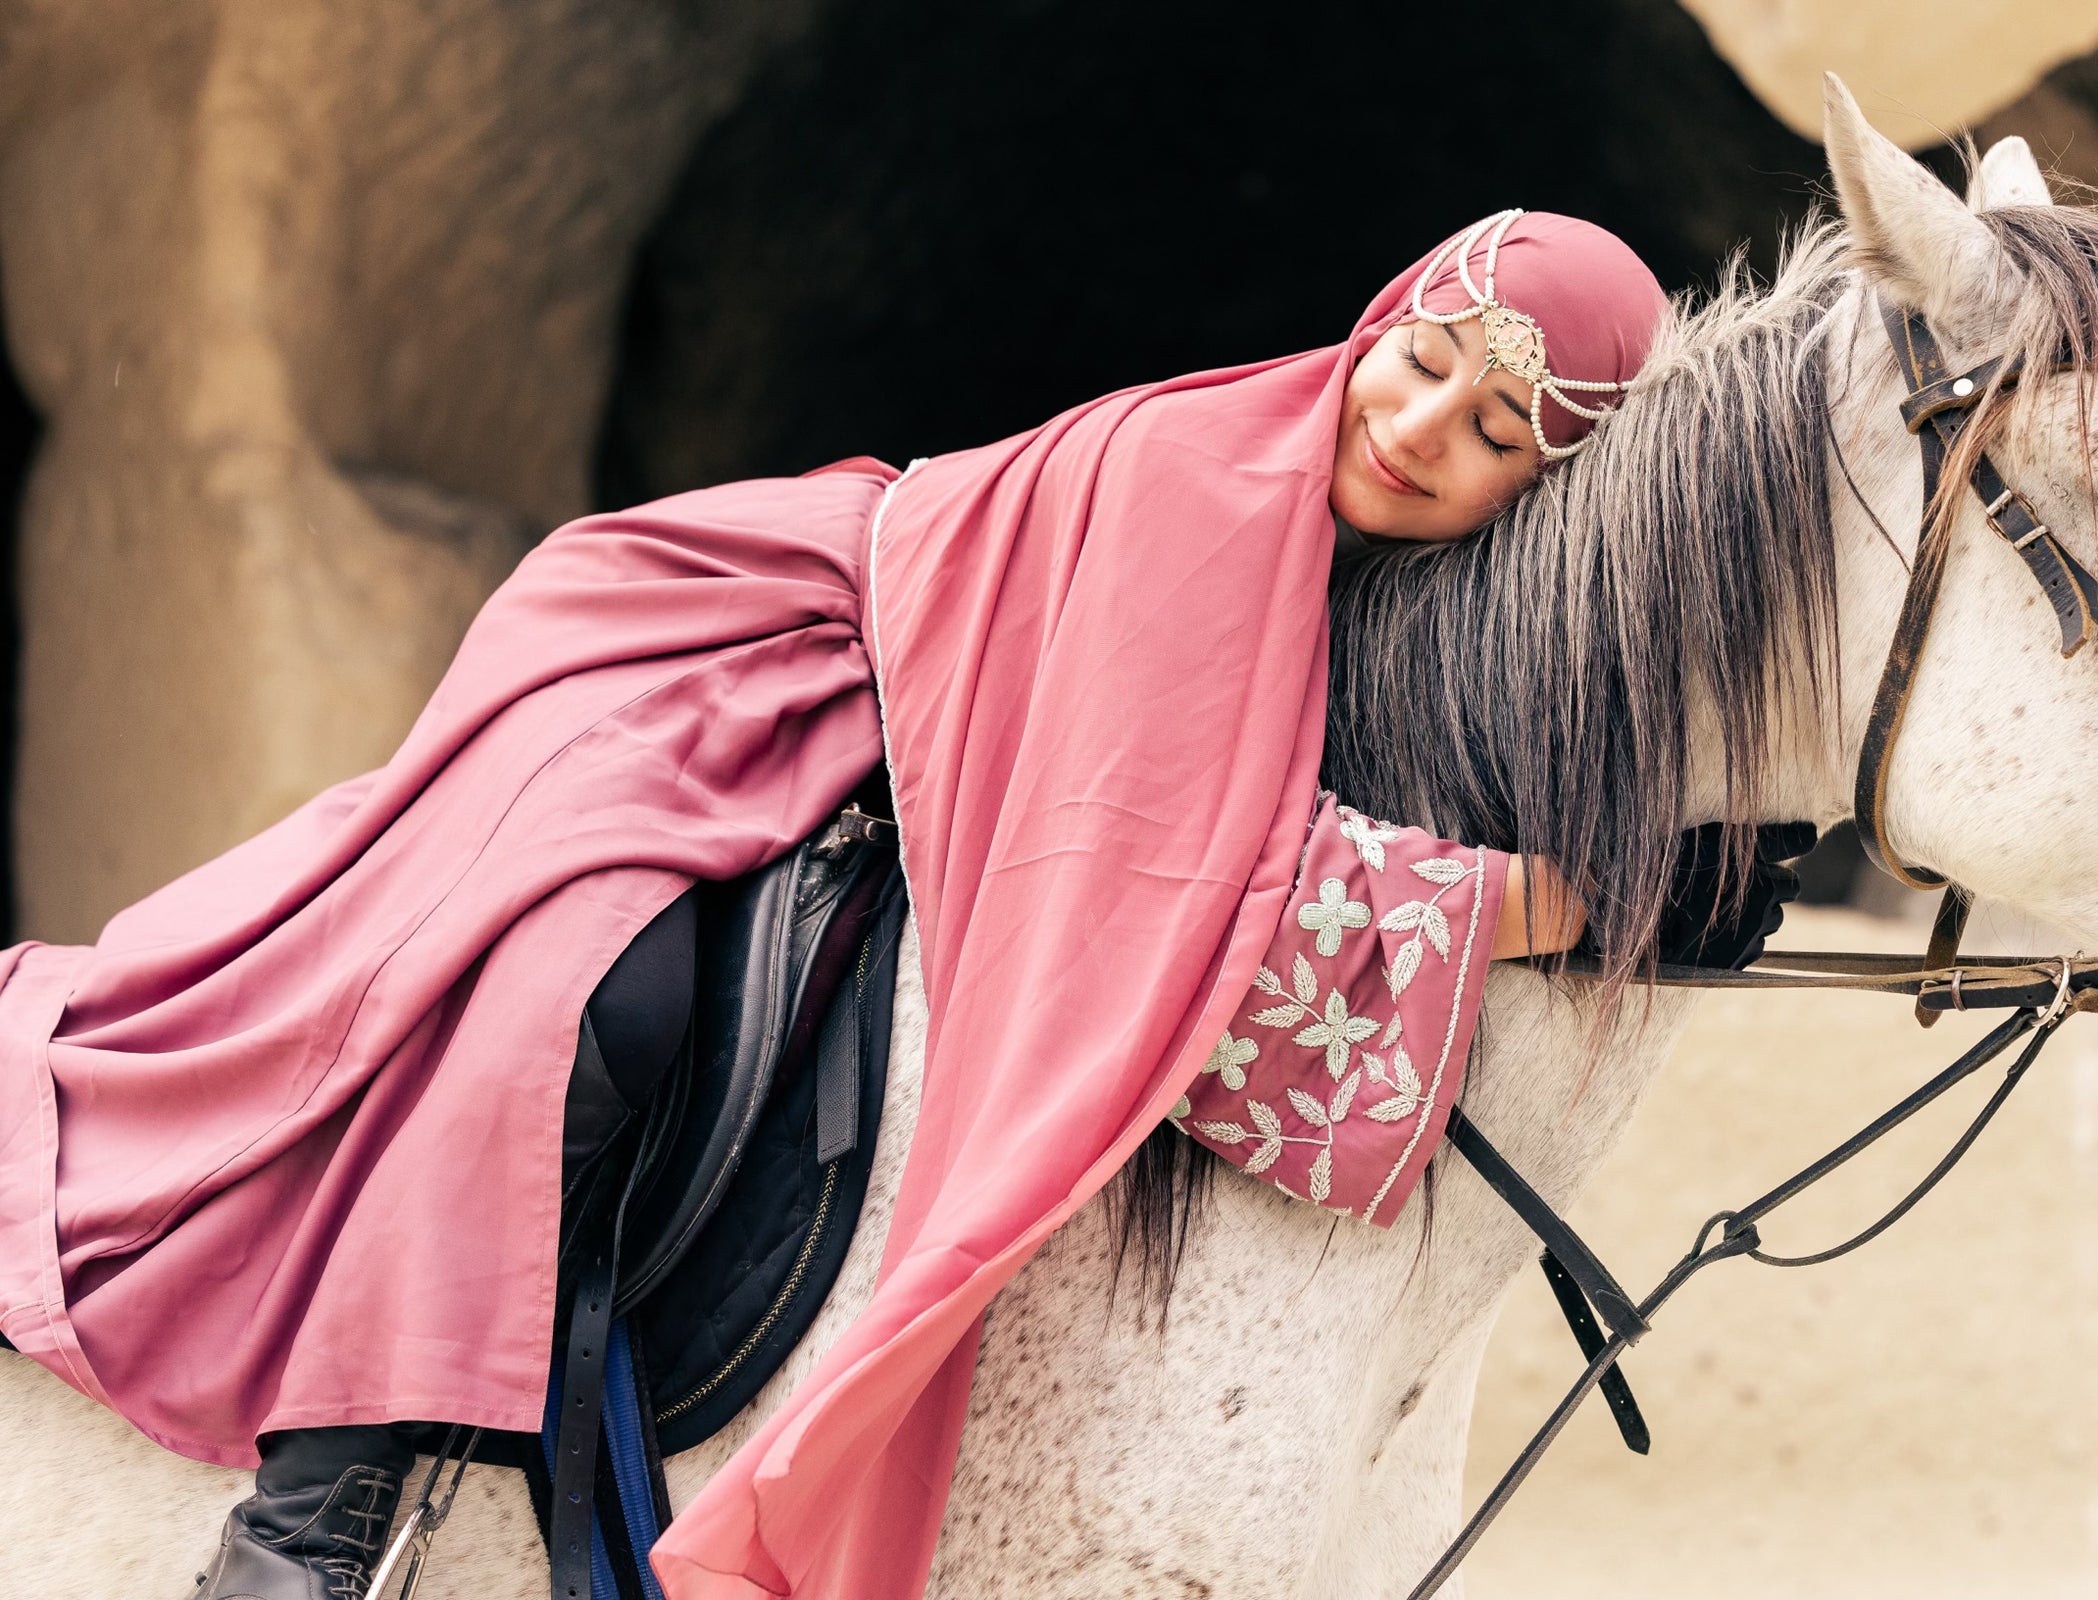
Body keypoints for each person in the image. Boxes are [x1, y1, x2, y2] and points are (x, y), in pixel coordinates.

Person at [0, 212, 1686, 1599]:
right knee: (583, 985)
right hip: (743, 669)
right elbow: (1165, 857)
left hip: (886, 737)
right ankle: (318, 1519)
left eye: (1496, 434)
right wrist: (1546, 912)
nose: (1420, 430)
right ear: (1381, 322)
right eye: (1425, 361)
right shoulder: (1217, 471)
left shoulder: (1386, 574)